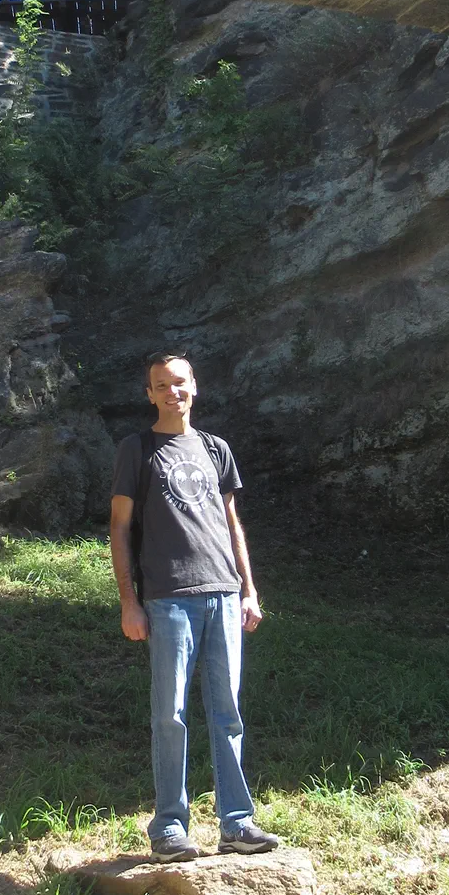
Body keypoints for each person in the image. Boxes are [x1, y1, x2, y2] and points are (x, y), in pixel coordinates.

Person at [109, 352, 281, 861]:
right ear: (149, 394)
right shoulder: (137, 449)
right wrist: (129, 602)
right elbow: (119, 528)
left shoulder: (215, 448)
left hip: (223, 594)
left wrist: (248, 590)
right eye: (161, 385)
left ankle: (237, 823)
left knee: (228, 713)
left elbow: (232, 523)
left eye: (179, 382)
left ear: (194, 387)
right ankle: (168, 828)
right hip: (167, 599)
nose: (172, 392)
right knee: (170, 715)